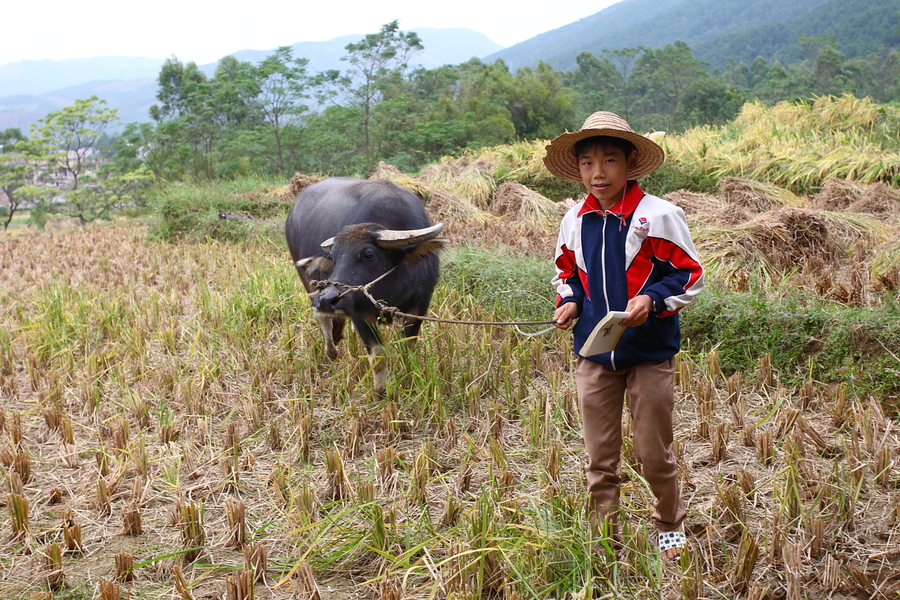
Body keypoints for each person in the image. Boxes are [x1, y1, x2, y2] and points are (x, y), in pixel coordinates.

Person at [545, 111, 704, 561]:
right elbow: (566, 273)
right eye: (588, 163)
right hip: (594, 353)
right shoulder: (574, 219)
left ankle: (669, 525)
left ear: (631, 163)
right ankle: (604, 532)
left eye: (610, 160)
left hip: (649, 352)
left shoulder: (658, 216)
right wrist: (570, 301)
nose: (598, 173)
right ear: (577, 169)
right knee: (600, 455)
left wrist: (651, 301)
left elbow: (688, 274)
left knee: (654, 452)